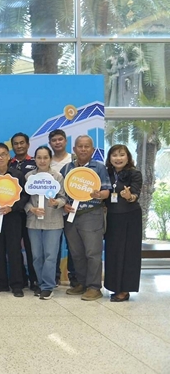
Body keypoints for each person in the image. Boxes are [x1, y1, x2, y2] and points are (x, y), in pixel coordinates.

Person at [61, 135, 111, 301]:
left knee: (92, 253)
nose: (83, 149)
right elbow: (60, 193)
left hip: (91, 214)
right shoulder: (67, 169)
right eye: (80, 146)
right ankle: (81, 283)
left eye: (86, 146)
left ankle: (94, 287)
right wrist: (63, 204)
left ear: (92, 149)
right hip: (71, 216)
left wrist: (99, 194)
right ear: (74, 149)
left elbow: (107, 191)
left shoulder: (99, 168)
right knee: (76, 253)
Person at [0, 142, 30, 297]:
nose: (0, 158)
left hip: (13, 218)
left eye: (3, 154)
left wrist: (12, 208)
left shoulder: (17, 175)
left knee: (14, 250)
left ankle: (17, 284)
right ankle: (2, 282)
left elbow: (25, 196)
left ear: (8, 156)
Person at [24, 146, 67, 300]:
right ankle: (40, 283)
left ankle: (48, 286)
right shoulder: (28, 176)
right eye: (39, 157)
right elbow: (23, 199)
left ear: (50, 159)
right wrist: (31, 209)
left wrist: (57, 203)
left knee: (50, 255)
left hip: (53, 221)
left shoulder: (57, 176)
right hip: (33, 222)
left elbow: (64, 198)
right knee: (36, 256)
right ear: (35, 159)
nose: (42, 161)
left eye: (45, 157)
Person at [104, 144, 142, 302]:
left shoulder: (134, 173)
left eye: (121, 155)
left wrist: (129, 196)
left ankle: (125, 290)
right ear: (109, 158)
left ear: (128, 157)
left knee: (128, 254)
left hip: (130, 218)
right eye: (114, 155)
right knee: (113, 252)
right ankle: (114, 286)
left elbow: (135, 194)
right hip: (112, 218)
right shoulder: (107, 173)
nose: (118, 158)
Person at [48, 129, 78, 287]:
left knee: (73, 246)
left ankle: (75, 278)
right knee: (53, 246)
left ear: (66, 141)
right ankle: (54, 277)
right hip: (53, 211)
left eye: (60, 139)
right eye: (54, 140)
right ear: (50, 143)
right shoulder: (47, 161)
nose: (57, 142)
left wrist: (68, 203)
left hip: (72, 210)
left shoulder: (74, 160)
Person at [10, 132, 38, 290]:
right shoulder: (8, 164)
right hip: (13, 213)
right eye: (16, 143)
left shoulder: (35, 163)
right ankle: (20, 279)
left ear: (28, 144)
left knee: (31, 247)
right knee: (14, 248)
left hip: (31, 212)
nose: (19, 146)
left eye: (22, 143)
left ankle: (35, 279)